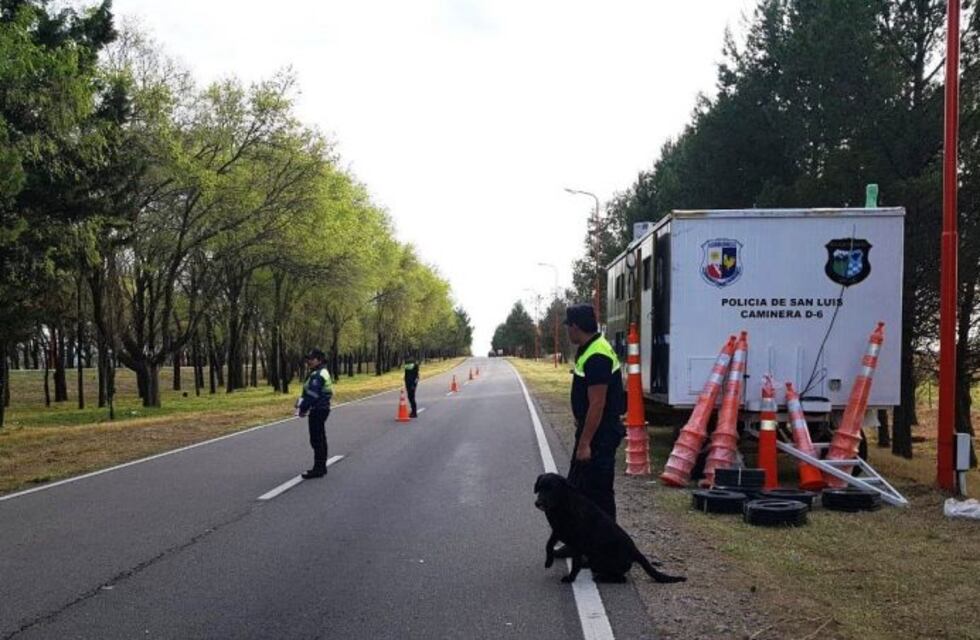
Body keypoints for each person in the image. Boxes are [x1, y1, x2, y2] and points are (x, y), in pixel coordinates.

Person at [564, 303, 626, 521]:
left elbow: (597, 403)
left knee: (598, 493)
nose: (567, 331)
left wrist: (584, 443)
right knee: (578, 488)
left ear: (575, 326)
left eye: (568, 327)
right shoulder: (591, 348)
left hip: (601, 434)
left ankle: (607, 548)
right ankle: (579, 542)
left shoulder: (597, 355)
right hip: (593, 430)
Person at [295, 348, 333, 478]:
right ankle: (321, 467)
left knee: (317, 440)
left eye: (312, 359)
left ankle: (319, 468)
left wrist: (302, 408)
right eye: (308, 359)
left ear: (319, 360)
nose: (309, 361)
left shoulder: (318, 375)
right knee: (320, 438)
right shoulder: (320, 372)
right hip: (321, 408)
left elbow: (312, 394)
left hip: (318, 409)